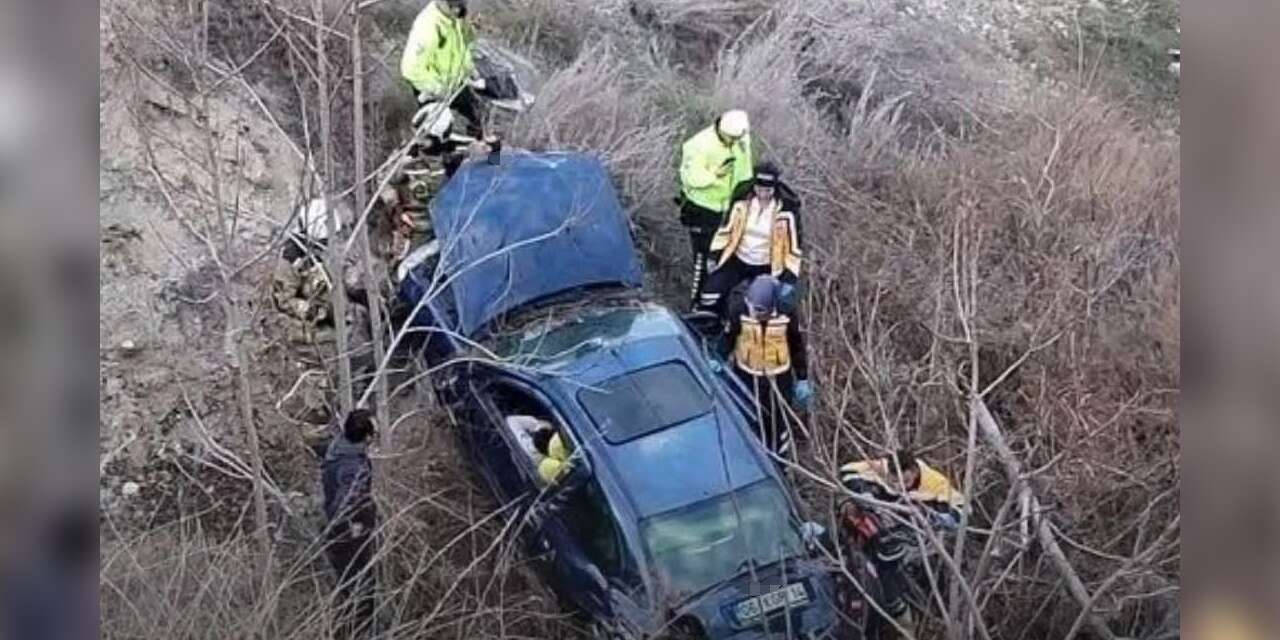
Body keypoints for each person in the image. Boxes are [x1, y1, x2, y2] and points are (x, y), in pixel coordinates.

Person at [836, 449, 965, 634]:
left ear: (914, 471)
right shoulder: (880, 467)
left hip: (916, 533)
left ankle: (907, 616)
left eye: (905, 481)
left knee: (895, 566)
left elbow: (962, 509)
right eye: (894, 481)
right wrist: (865, 496)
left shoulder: (934, 482)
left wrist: (940, 518)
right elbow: (847, 471)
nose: (900, 486)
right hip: (884, 521)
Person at [715, 275, 813, 457]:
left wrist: (802, 378)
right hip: (746, 375)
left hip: (778, 378)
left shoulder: (786, 313)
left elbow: (796, 346)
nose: (754, 313)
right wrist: (717, 358)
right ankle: (751, 458)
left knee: (778, 423)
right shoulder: (739, 309)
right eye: (752, 307)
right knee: (749, 419)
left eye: (759, 310)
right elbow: (728, 337)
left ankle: (781, 462)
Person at [697, 161, 803, 316]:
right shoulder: (742, 203)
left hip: (767, 265)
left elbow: (794, 246)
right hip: (738, 259)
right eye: (759, 189)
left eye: (767, 190)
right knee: (710, 294)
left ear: (774, 189)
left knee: (760, 304)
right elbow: (726, 230)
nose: (763, 194)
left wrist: (790, 275)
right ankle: (712, 325)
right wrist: (715, 254)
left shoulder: (786, 212)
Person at [678, 109, 753, 307]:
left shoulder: (742, 140)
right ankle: (696, 305)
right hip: (704, 211)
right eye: (732, 138)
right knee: (702, 261)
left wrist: (746, 196)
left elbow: (746, 170)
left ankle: (720, 303)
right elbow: (690, 178)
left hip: (732, 209)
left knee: (728, 257)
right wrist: (715, 175)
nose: (734, 142)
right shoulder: (699, 145)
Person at [322, 409, 379, 637]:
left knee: (346, 587)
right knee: (361, 588)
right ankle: (359, 633)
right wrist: (352, 527)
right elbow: (347, 501)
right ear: (366, 436)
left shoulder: (338, 449)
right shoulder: (353, 466)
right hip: (349, 535)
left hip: (338, 531)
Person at [400, 0, 483, 140]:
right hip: (432, 90)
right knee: (439, 136)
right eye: (454, 7)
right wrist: (436, 89)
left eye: (461, 6)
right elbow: (409, 68)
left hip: (454, 83)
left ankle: (482, 155)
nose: (457, 11)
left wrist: (470, 68)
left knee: (476, 116)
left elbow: (458, 47)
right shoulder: (428, 27)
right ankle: (439, 157)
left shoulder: (451, 18)